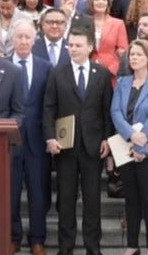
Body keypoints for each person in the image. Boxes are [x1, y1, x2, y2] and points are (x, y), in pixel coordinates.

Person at [43, 25, 114, 255]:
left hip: (93, 147)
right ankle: (66, 248)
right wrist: (50, 138)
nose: (72, 49)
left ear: (90, 47)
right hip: (65, 147)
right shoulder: (57, 72)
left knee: (92, 201)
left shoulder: (102, 73)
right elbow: (48, 108)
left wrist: (107, 139)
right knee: (66, 200)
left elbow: (107, 110)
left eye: (78, 45)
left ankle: (93, 247)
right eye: (70, 45)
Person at [110, 40, 148, 255]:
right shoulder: (122, 82)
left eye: (138, 54)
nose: (134, 58)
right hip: (126, 146)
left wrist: (141, 143)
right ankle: (132, 246)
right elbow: (115, 112)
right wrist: (131, 135)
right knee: (131, 199)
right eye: (131, 54)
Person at [8, 19, 52, 255]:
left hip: (37, 141)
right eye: (19, 37)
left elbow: (50, 105)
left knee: (38, 192)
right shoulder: (3, 66)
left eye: (28, 37)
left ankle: (37, 239)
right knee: (10, 192)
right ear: (12, 39)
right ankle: (13, 237)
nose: (24, 41)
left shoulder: (46, 67)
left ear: (35, 40)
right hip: (10, 141)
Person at [88, 0, 128, 76]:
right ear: (92, 2)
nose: (101, 2)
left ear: (108, 3)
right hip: (88, 70)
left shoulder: (118, 24)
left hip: (109, 73)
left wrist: (111, 70)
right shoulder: (85, 22)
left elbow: (123, 52)